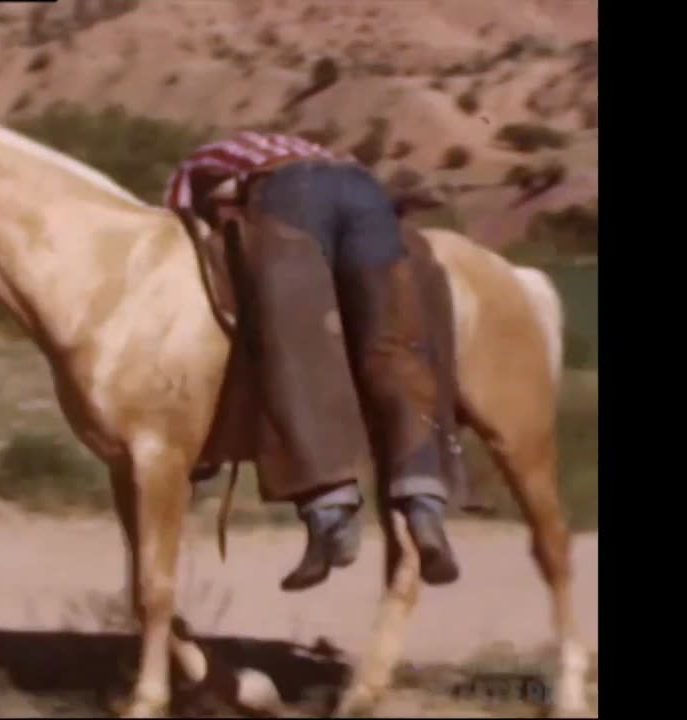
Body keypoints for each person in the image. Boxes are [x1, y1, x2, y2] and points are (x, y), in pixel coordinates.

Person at [166, 131, 465, 591]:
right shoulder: (318, 151)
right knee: (393, 343)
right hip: (366, 191)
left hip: (290, 194)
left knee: (298, 348)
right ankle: (424, 505)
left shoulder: (200, 162)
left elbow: (185, 223)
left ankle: (331, 514)